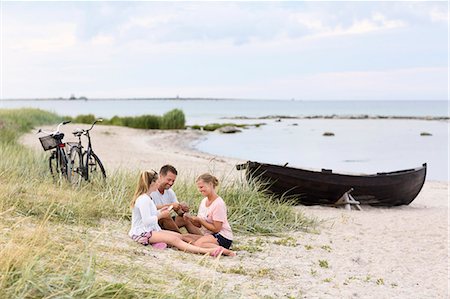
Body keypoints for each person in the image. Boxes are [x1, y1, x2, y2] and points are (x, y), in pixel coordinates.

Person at [128, 170, 235, 257]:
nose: (158, 183)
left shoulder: (148, 198)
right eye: (157, 181)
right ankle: (209, 251)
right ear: (152, 183)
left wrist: (163, 211)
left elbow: (151, 214)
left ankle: (159, 243)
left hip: (149, 230)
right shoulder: (143, 199)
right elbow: (146, 221)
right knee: (176, 240)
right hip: (141, 232)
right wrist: (161, 215)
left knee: (179, 236)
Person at [182, 173, 234, 250]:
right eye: (199, 188)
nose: (200, 190)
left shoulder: (218, 204)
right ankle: (206, 245)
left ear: (210, 184)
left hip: (222, 236)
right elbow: (199, 225)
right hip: (209, 235)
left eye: (202, 187)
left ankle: (225, 251)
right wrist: (190, 219)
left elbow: (217, 229)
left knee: (198, 244)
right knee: (184, 238)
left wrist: (200, 220)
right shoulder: (204, 201)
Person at [150, 165, 191, 233]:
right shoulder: (151, 189)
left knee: (184, 218)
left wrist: (183, 209)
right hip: (153, 221)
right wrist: (171, 205)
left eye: (173, 181)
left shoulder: (170, 192)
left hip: (166, 222)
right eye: (169, 180)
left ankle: (202, 239)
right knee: (165, 215)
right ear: (160, 176)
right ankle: (181, 238)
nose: (171, 183)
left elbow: (178, 211)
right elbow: (150, 208)